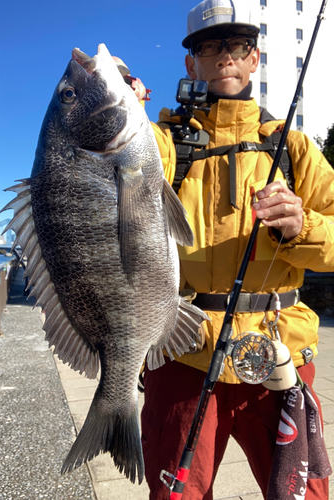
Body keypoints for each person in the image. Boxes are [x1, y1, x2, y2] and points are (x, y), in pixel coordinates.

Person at [128, 0, 334, 499]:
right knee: (176, 495)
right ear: (191, 62)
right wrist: (116, 89)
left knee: (303, 493)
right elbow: (101, 160)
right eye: (210, 46)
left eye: (237, 46)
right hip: (182, 352)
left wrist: (301, 226)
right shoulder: (161, 143)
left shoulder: (295, 147)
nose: (225, 57)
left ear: (254, 58)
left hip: (280, 352)